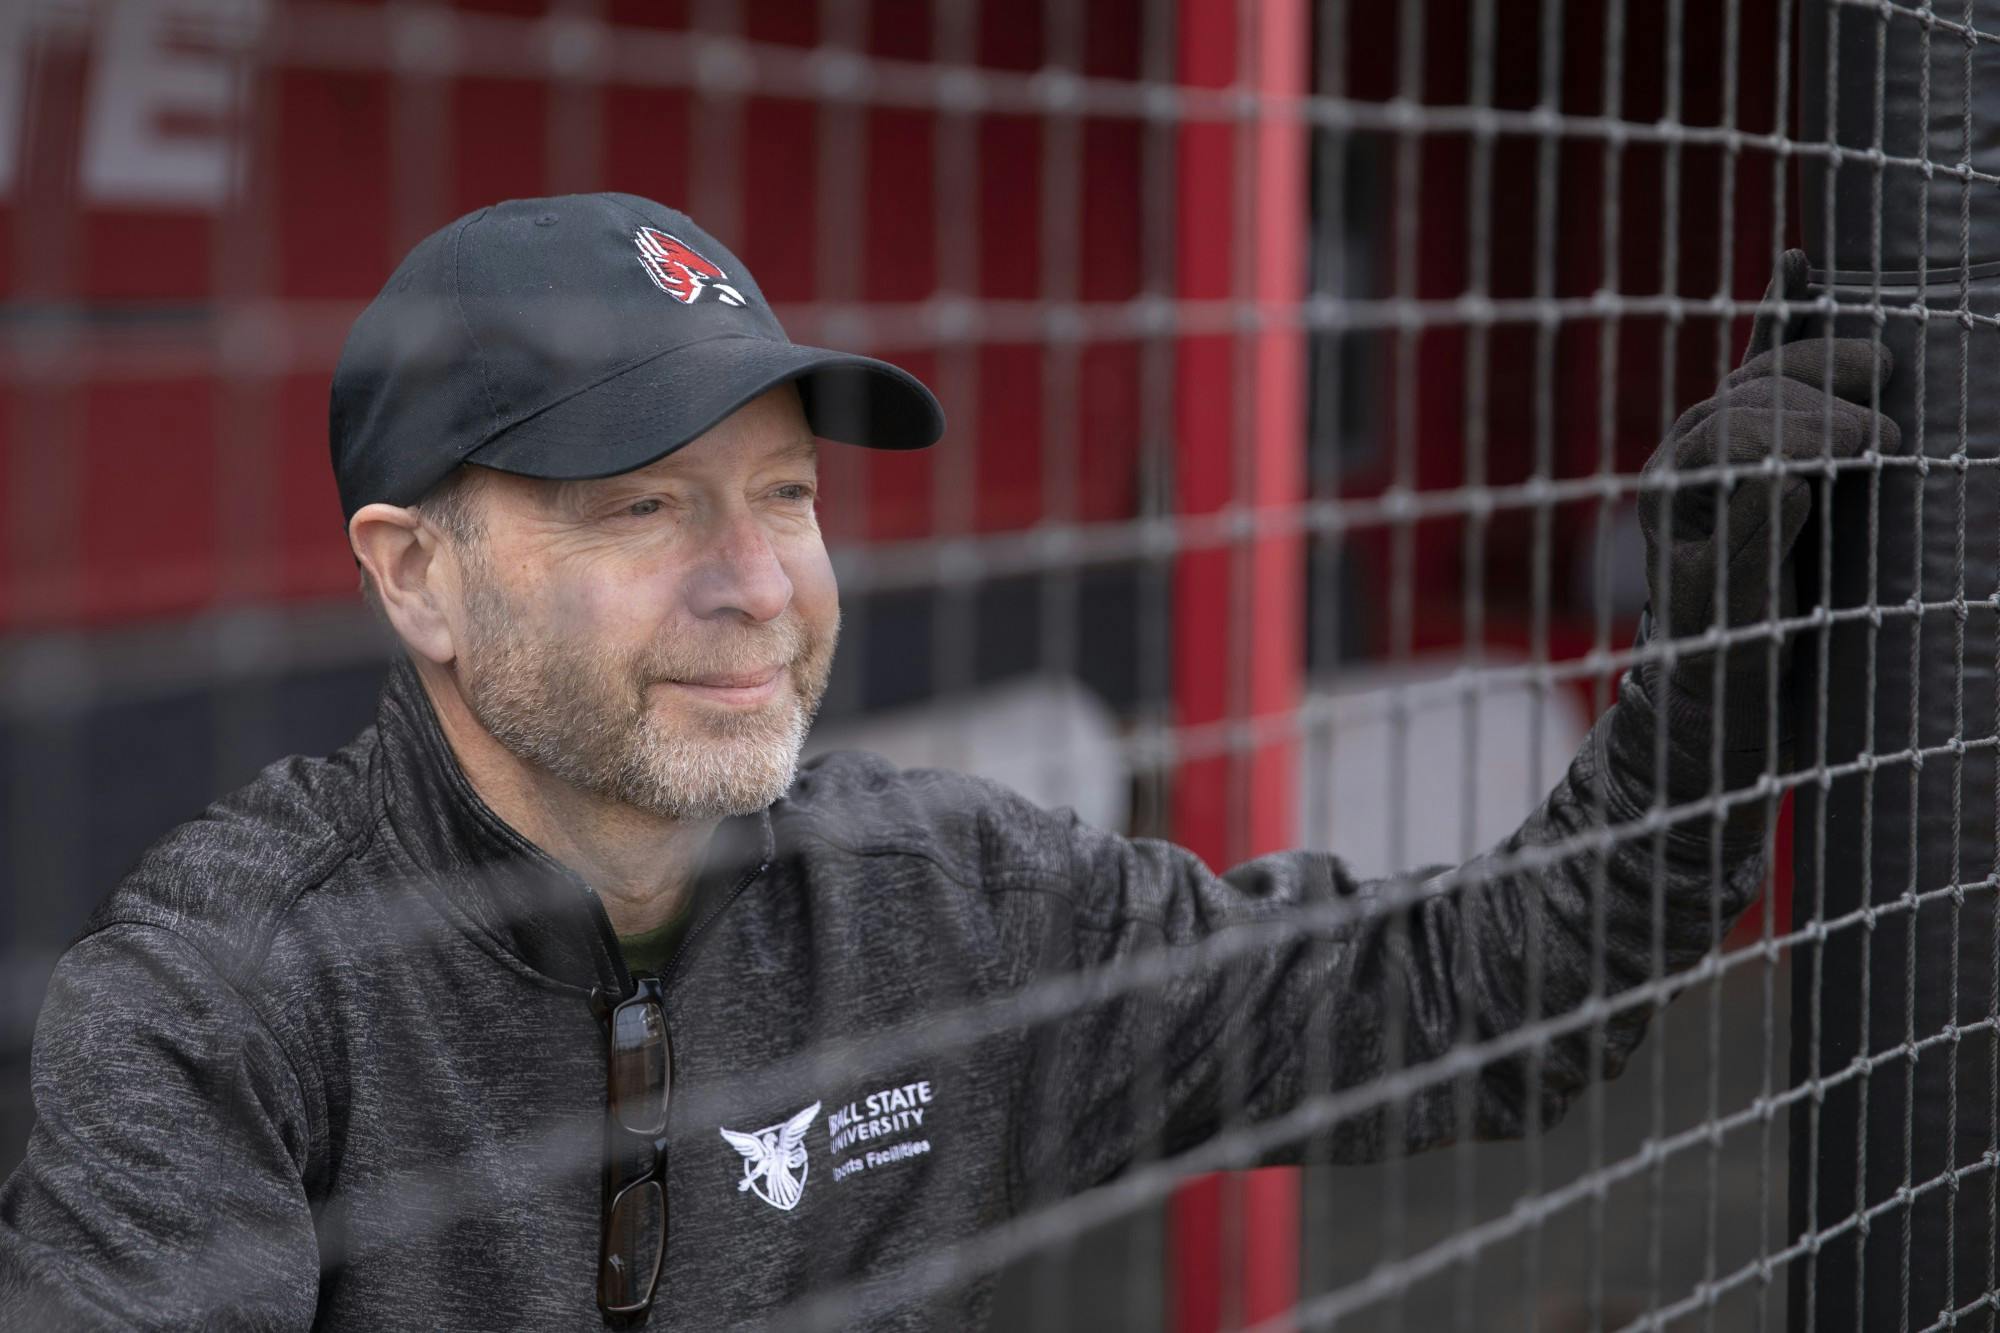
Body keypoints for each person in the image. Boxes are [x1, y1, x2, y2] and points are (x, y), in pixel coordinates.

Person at [0, 194, 1896, 1330]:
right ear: (416, 576)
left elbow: (1484, 1002)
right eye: (646, 503)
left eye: (790, 495)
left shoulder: (947, 903)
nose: (758, 586)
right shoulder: (216, 999)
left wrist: (1710, 682)